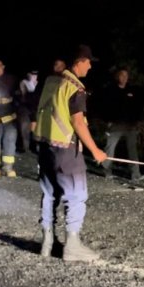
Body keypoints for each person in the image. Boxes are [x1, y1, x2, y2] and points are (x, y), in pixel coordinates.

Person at [32, 45, 107, 262]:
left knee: (49, 193)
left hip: (45, 145)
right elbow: (77, 122)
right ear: (79, 61)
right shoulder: (76, 87)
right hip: (65, 149)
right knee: (76, 195)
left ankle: (47, 243)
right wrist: (96, 151)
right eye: (88, 61)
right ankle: (72, 246)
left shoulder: (50, 81)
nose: (90, 66)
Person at [99, 66, 144, 182]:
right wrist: (107, 122)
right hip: (115, 125)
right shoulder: (111, 90)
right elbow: (105, 107)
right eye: (122, 75)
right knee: (110, 148)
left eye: (126, 75)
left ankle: (135, 174)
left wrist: (137, 122)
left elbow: (137, 107)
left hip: (130, 125)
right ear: (117, 76)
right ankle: (106, 170)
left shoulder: (131, 91)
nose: (124, 78)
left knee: (132, 150)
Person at [17, 70, 39, 153]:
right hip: (26, 107)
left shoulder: (38, 84)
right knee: (24, 128)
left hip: (35, 108)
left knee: (34, 129)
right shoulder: (24, 82)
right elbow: (24, 93)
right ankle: (24, 147)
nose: (34, 76)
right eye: (32, 74)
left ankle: (34, 147)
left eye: (35, 74)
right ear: (28, 75)